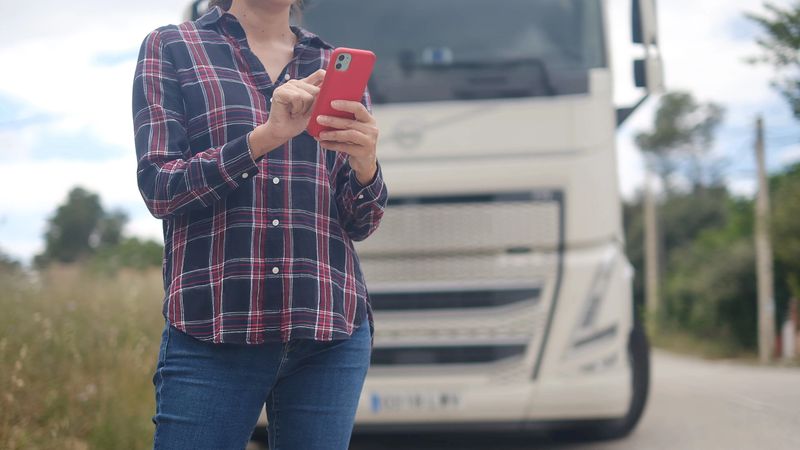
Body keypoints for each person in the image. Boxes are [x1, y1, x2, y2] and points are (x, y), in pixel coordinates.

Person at [131, 0, 388, 448]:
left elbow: (360, 222)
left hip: (328, 330)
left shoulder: (334, 66)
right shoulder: (172, 47)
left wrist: (366, 164)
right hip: (213, 327)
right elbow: (160, 187)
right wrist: (263, 139)